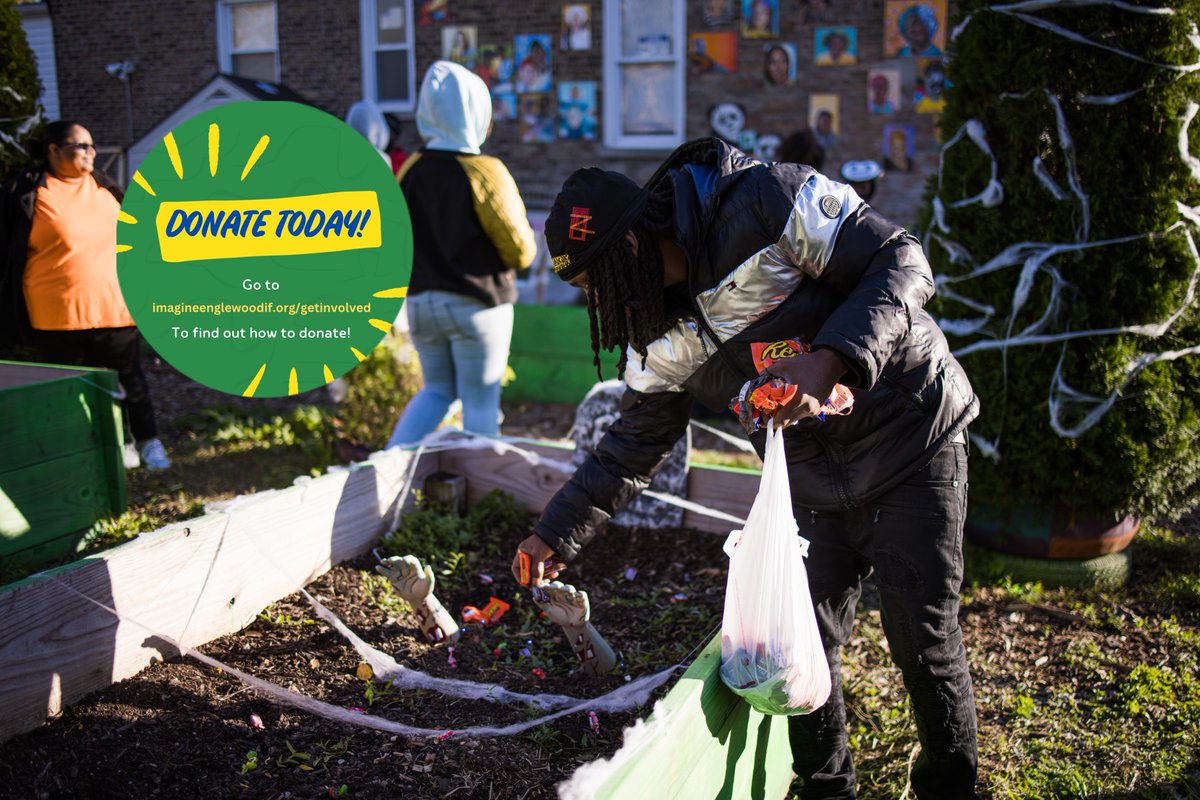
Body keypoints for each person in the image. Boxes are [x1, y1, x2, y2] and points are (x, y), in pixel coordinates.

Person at [510, 137, 981, 797]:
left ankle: (948, 787)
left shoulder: (765, 199)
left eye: (600, 283)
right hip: (810, 483)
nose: (600, 305)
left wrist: (829, 358)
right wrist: (556, 530)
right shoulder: (652, 335)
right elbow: (633, 442)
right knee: (800, 647)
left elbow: (901, 261)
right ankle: (827, 790)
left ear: (635, 248)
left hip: (910, 437)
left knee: (921, 640)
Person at [0, 120, 170, 470]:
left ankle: (149, 444)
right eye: (82, 146)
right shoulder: (25, 192)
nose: (91, 153)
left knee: (131, 380)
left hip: (115, 307)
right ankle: (103, 450)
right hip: (55, 315)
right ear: (53, 150)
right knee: (72, 390)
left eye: (92, 146)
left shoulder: (106, 186)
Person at [386, 62, 537, 447]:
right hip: (477, 306)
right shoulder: (484, 171)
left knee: (435, 392)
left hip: (420, 302)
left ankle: (381, 474)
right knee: (480, 404)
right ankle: (482, 499)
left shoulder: (411, 170)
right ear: (475, 113)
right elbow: (520, 250)